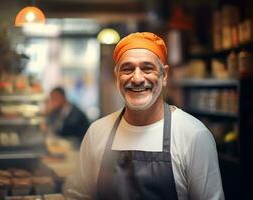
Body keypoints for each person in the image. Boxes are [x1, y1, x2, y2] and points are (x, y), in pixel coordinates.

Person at [64, 32, 224, 200]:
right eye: (127, 69)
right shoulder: (97, 132)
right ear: (116, 75)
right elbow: (79, 196)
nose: (137, 78)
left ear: (164, 76)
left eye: (147, 68)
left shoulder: (193, 135)